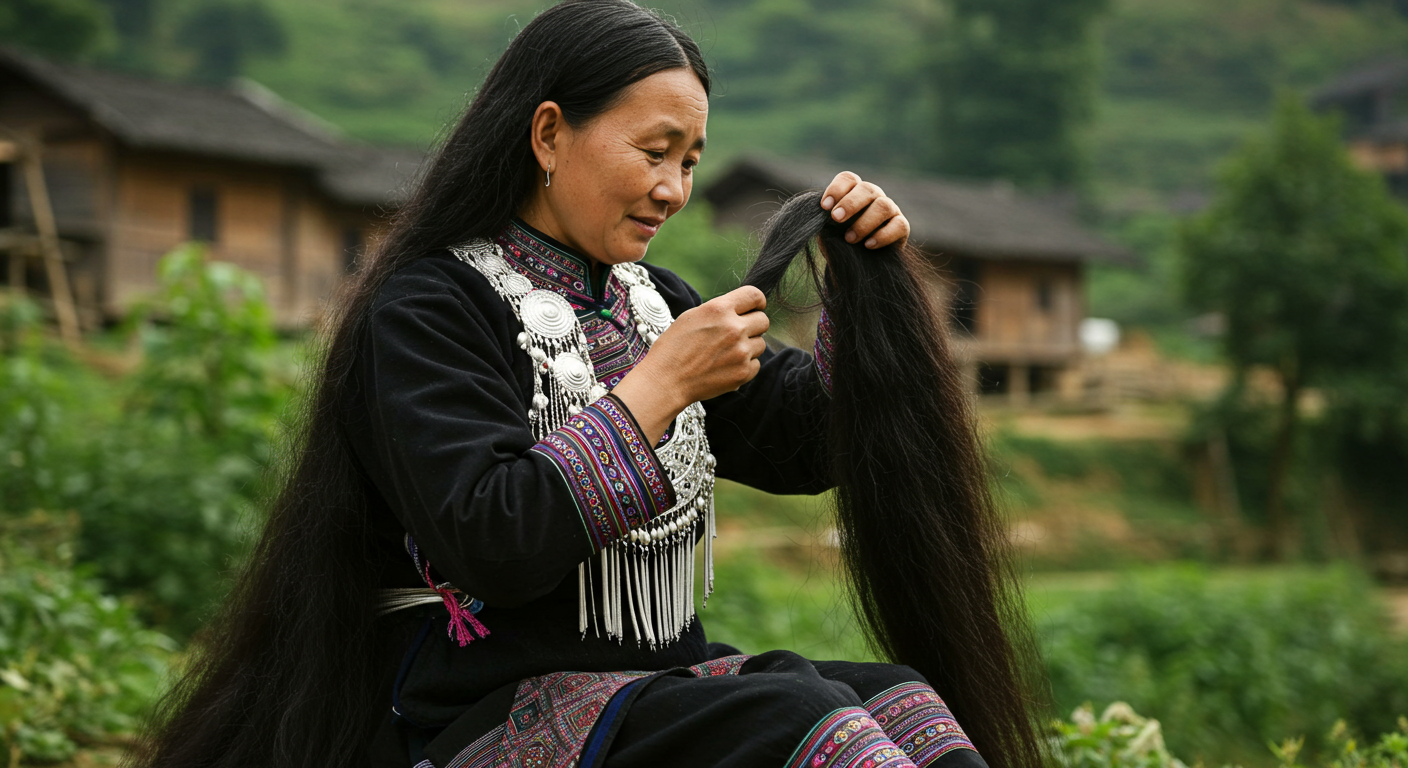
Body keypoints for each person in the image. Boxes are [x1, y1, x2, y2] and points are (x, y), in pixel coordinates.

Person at [132, 2, 1032, 768]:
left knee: (907, 706)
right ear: (550, 133)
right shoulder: (426, 310)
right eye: (655, 151)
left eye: (691, 159)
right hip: (483, 705)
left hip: (653, 688)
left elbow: (805, 442)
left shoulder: (655, 304)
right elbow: (489, 534)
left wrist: (867, 287)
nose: (675, 188)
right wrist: (657, 388)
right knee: (803, 723)